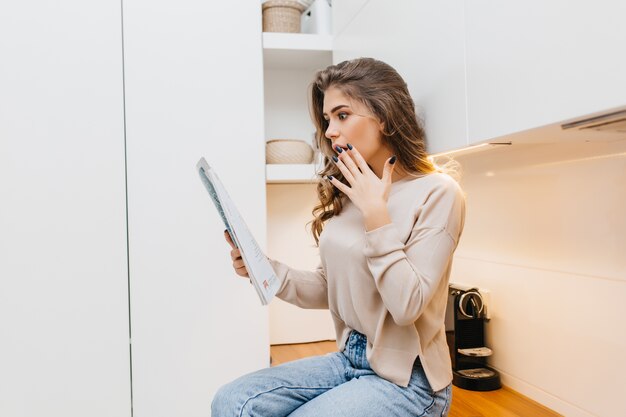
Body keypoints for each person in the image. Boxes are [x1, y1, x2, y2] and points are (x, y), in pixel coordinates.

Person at [211, 57, 465, 417]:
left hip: (410, 380)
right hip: (350, 357)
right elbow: (329, 288)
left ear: (385, 116)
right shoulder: (351, 192)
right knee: (232, 402)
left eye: (342, 115)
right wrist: (266, 269)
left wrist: (377, 215)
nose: (329, 131)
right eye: (328, 119)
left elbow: (407, 306)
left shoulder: (438, 193)